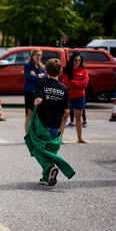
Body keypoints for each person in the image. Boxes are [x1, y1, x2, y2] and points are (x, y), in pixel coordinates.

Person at [25, 58, 75, 186]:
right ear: (60, 71)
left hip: (43, 123)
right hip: (55, 124)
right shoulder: (64, 88)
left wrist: (37, 102)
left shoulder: (42, 83)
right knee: (50, 151)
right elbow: (67, 111)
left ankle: (49, 168)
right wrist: (61, 129)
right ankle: (47, 176)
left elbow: (38, 100)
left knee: (37, 148)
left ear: (46, 70)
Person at [61, 51, 89, 144]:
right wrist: (78, 83)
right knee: (65, 116)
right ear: (72, 60)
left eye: (79, 60)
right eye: (75, 60)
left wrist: (73, 82)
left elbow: (85, 84)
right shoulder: (67, 70)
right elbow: (66, 84)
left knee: (78, 117)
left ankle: (80, 138)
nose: (77, 62)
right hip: (69, 96)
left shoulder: (84, 71)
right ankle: (60, 138)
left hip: (80, 96)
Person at [23, 49, 47, 133]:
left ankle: (36, 134)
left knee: (38, 115)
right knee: (29, 114)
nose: (38, 57)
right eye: (37, 55)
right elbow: (29, 78)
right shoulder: (28, 66)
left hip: (39, 93)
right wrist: (39, 76)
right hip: (30, 92)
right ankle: (27, 134)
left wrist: (36, 75)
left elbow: (46, 77)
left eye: (40, 55)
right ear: (32, 56)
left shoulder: (41, 67)